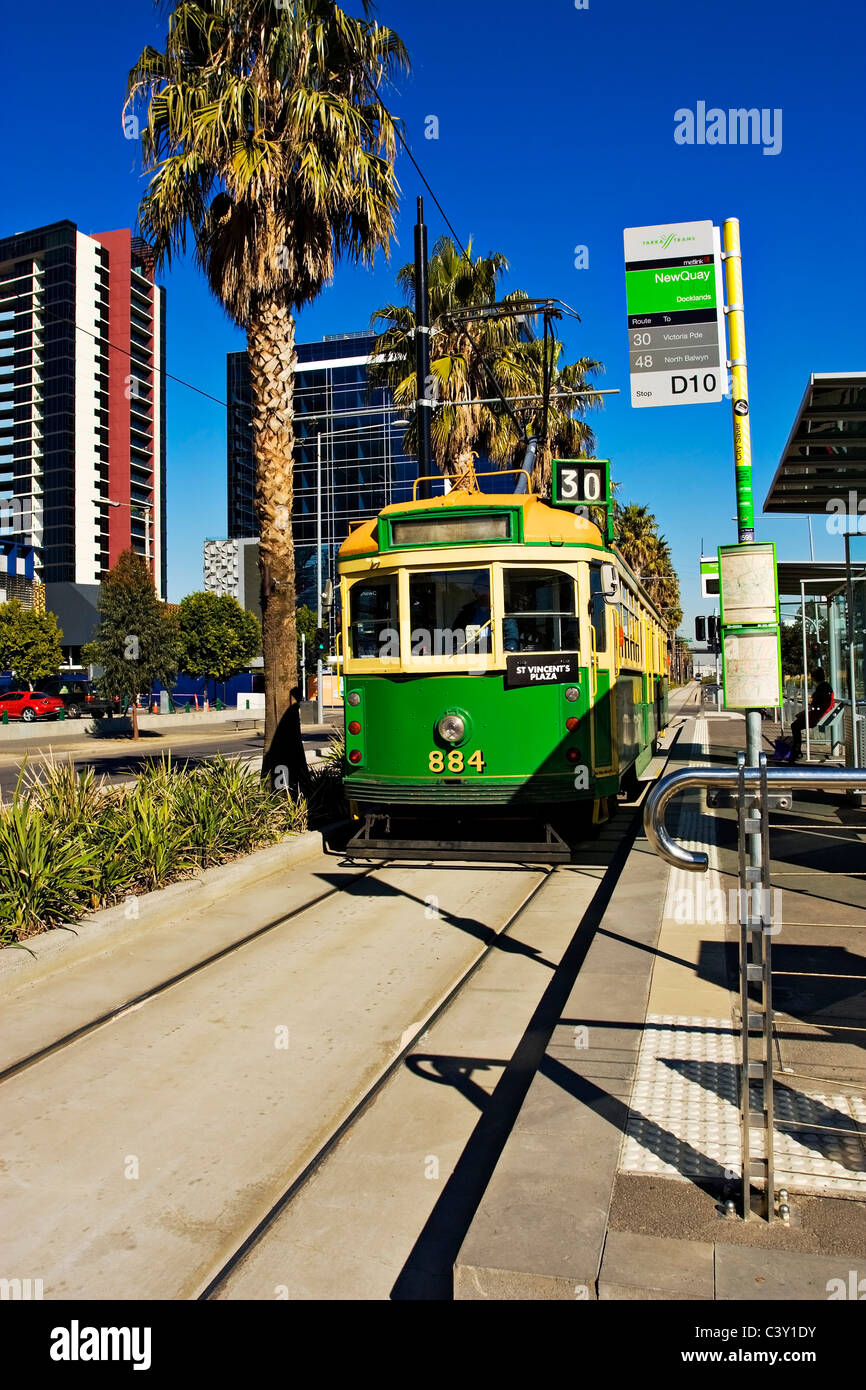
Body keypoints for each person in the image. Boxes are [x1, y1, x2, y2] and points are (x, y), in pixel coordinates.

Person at [790, 668, 834, 762]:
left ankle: (796, 750)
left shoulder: (821, 688)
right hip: (819, 713)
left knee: (795, 726)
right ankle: (796, 750)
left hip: (818, 715)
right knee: (796, 725)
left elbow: (817, 706)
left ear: (815, 677)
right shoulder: (825, 686)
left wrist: (806, 712)